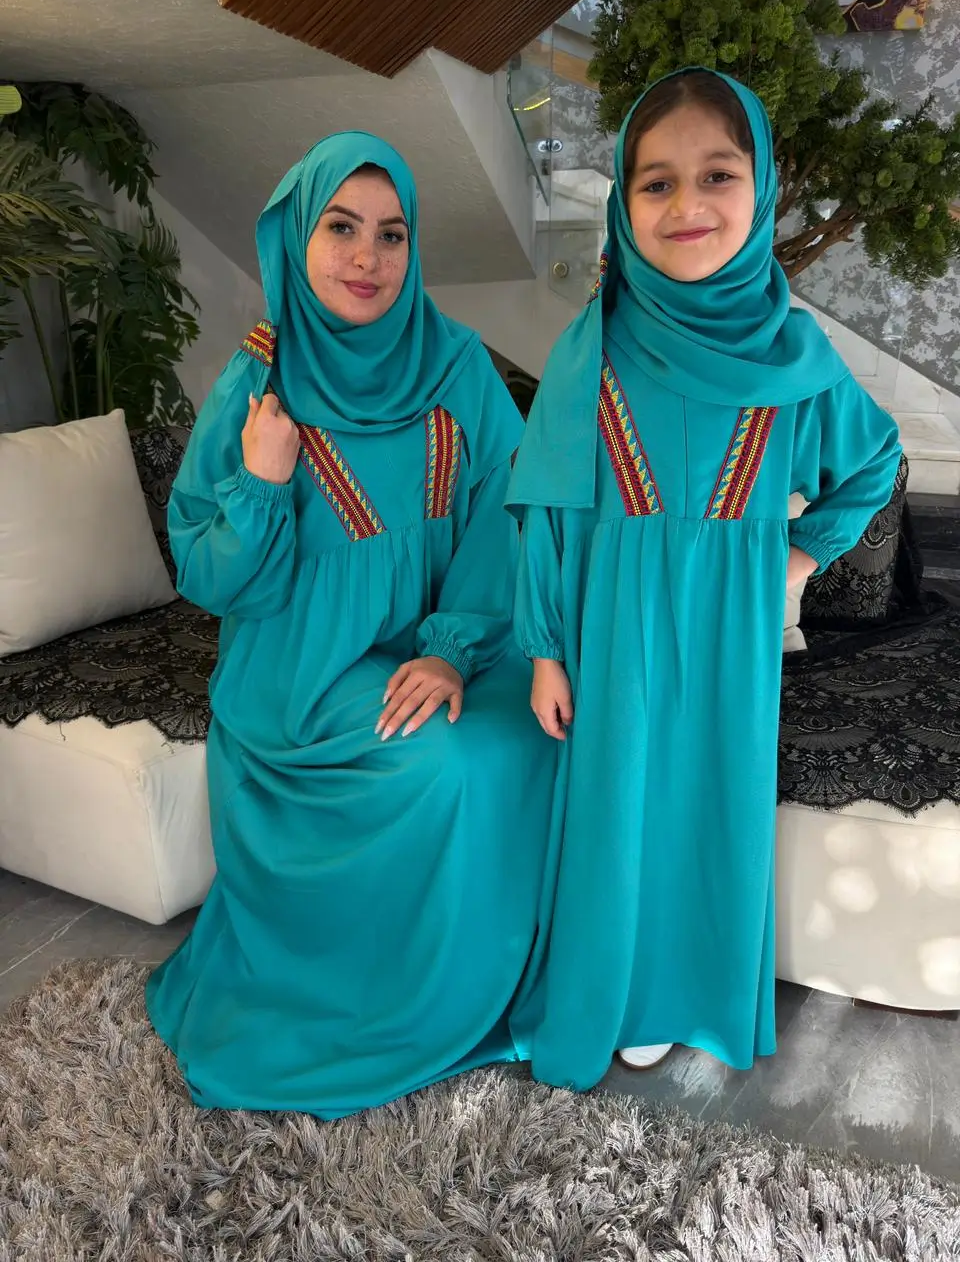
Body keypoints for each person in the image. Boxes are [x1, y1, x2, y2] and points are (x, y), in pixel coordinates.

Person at [506, 68, 902, 1090]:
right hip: (614, 623)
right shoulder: (593, 346)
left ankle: (697, 992)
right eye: (656, 182)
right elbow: (549, 509)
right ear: (626, 202)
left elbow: (871, 459)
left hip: (732, 630)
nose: (687, 204)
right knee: (618, 810)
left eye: (717, 174)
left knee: (711, 807)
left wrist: (799, 559)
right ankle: (626, 993)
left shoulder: (794, 355)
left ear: (760, 189)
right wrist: (544, 648)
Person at [146, 132, 555, 1119]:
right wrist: (262, 481)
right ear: (297, 238)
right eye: (341, 228)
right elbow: (212, 578)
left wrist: (451, 650)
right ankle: (393, 1006)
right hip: (303, 670)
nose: (367, 257)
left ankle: (514, 978)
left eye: (391, 234)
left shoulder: (456, 361)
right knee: (443, 764)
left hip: (454, 638)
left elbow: (506, 509)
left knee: (540, 730)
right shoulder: (259, 383)